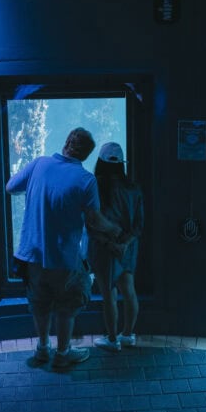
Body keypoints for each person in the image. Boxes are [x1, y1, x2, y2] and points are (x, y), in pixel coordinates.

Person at [6, 128, 125, 369]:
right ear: (87, 154)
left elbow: (10, 187)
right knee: (67, 305)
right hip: (65, 258)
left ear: (67, 142)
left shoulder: (39, 164)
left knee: (39, 303)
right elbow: (93, 220)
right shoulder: (85, 180)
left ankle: (42, 349)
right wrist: (114, 229)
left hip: (32, 254)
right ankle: (62, 353)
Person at [88, 142, 144, 352]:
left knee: (108, 295)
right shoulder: (133, 188)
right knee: (129, 290)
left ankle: (112, 339)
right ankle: (128, 334)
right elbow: (139, 225)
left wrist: (110, 244)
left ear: (100, 162)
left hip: (104, 249)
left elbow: (92, 222)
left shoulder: (95, 187)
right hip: (127, 248)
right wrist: (124, 244)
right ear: (121, 164)